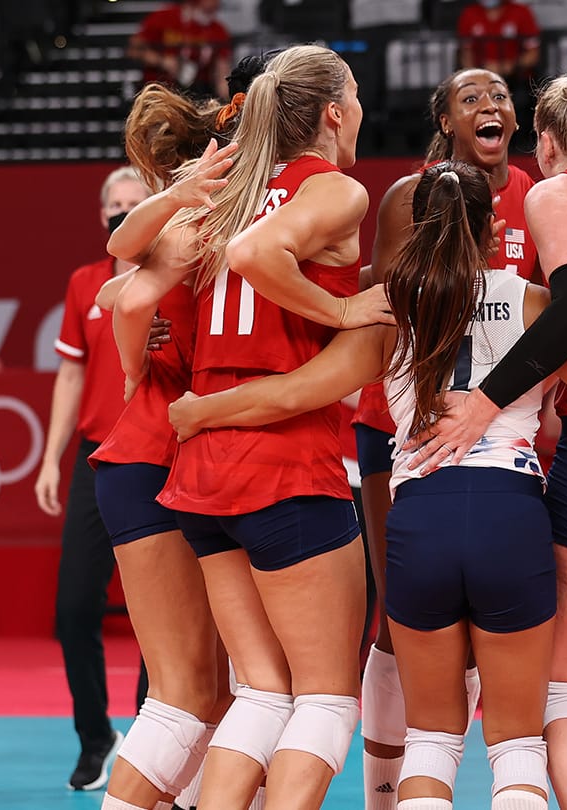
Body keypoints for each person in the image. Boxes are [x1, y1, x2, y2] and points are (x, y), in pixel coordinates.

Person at [164, 158, 567, 810]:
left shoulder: (388, 310)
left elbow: (296, 392)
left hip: (419, 522)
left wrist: (200, 410)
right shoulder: (533, 303)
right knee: (517, 746)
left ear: (416, 231)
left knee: (433, 739)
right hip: (510, 518)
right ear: (496, 229)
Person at [115, 44, 391, 809]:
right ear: (334, 112)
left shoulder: (227, 192)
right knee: (326, 699)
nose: (363, 111)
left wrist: (157, 380)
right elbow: (258, 251)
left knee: (262, 693)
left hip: (203, 470)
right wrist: (339, 309)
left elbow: (123, 285)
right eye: (358, 98)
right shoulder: (335, 191)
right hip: (286, 465)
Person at [352, 65, 540, 809]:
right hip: (405, 428)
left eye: (500, 97)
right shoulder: (415, 194)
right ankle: (382, 793)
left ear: (515, 124)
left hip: (512, 425)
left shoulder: (538, 194)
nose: (490, 105)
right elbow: (387, 299)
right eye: (472, 99)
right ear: (447, 122)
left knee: (464, 613)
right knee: (398, 623)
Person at [89, 73, 259, 810]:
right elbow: (125, 293)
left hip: (197, 460)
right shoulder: (200, 223)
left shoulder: (220, 220)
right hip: (156, 455)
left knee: (231, 694)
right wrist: (134, 368)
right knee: (185, 695)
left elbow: (118, 286)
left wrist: (134, 353)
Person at [32, 165, 149, 790]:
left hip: (161, 454)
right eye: (114, 204)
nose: (122, 211)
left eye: (135, 203)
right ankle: (95, 736)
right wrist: (51, 456)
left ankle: (154, 741)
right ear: (100, 214)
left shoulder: (172, 274)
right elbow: (71, 376)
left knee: (160, 615)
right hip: (96, 456)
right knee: (73, 607)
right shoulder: (84, 283)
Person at [129, 0, 231, 101]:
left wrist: (228, 98)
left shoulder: (218, 30)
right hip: (158, 91)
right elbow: (134, 50)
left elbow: (222, 71)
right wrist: (162, 61)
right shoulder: (164, 16)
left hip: (195, 94)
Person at [456, 1, 540, 86]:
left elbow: (533, 54)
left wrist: (511, 65)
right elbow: (466, 54)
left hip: (517, 80)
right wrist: (477, 74)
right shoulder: (469, 13)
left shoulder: (521, 12)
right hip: (480, 80)